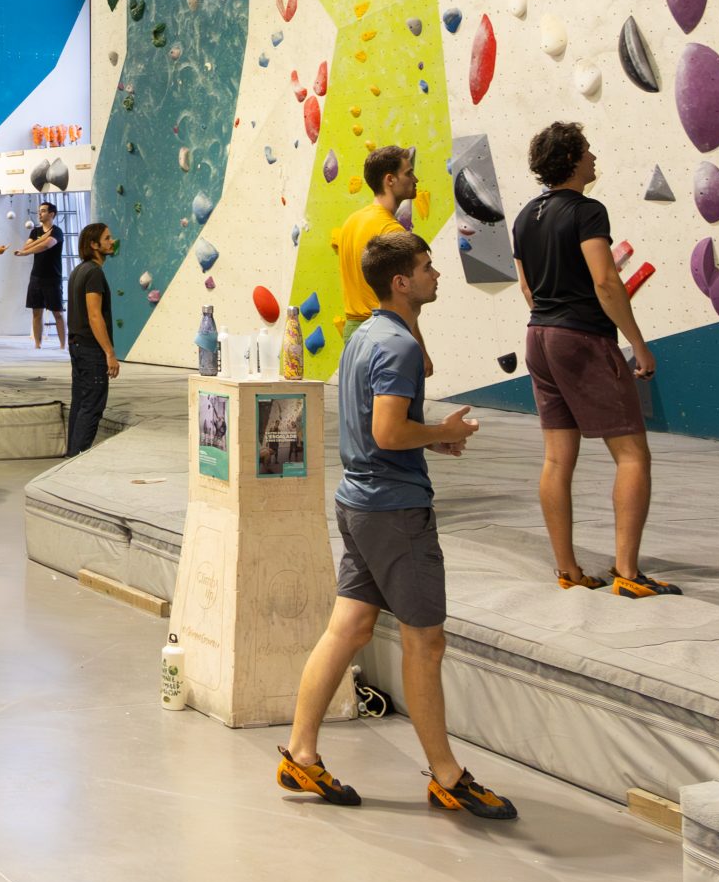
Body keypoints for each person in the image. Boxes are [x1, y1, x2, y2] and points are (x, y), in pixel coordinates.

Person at [278, 232, 515, 821]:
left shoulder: (363, 336)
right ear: (402, 282)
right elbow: (388, 432)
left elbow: (376, 429)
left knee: (349, 628)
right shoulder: (400, 345)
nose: (437, 274)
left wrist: (429, 439)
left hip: (359, 501)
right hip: (393, 512)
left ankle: (301, 755)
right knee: (425, 643)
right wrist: (442, 432)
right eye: (427, 267)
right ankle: (449, 777)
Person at [512, 121, 673, 598]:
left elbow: (527, 288)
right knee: (633, 455)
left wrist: (551, 321)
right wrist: (637, 343)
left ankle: (568, 570)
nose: (593, 156)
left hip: (539, 335)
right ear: (571, 159)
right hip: (581, 337)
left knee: (556, 458)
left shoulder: (524, 217)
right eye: (587, 149)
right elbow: (605, 281)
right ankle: (628, 572)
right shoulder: (587, 211)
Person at [336, 146, 420, 355]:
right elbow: (403, 297)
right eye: (409, 173)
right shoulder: (392, 231)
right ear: (390, 180)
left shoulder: (351, 222)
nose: (415, 179)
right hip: (384, 333)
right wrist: (421, 350)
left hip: (353, 332)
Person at [65, 221, 118, 455]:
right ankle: (76, 457)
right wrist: (109, 352)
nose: (112, 242)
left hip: (77, 346)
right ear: (94, 245)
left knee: (80, 402)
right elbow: (94, 315)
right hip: (90, 350)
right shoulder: (94, 272)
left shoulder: (79, 271)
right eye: (107, 238)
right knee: (92, 406)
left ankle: (71, 455)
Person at [21, 200, 66, 348]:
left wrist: (27, 251)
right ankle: (37, 344)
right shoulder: (35, 231)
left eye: (43, 211)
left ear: (51, 214)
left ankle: (62, 345)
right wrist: (31, 246)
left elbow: (47, 245)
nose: (39, 213)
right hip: (36, 277)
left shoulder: (57, 231)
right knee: (36, 313)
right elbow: (26, 246)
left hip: (52, 277)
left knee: (58, 313)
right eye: (39, 211)